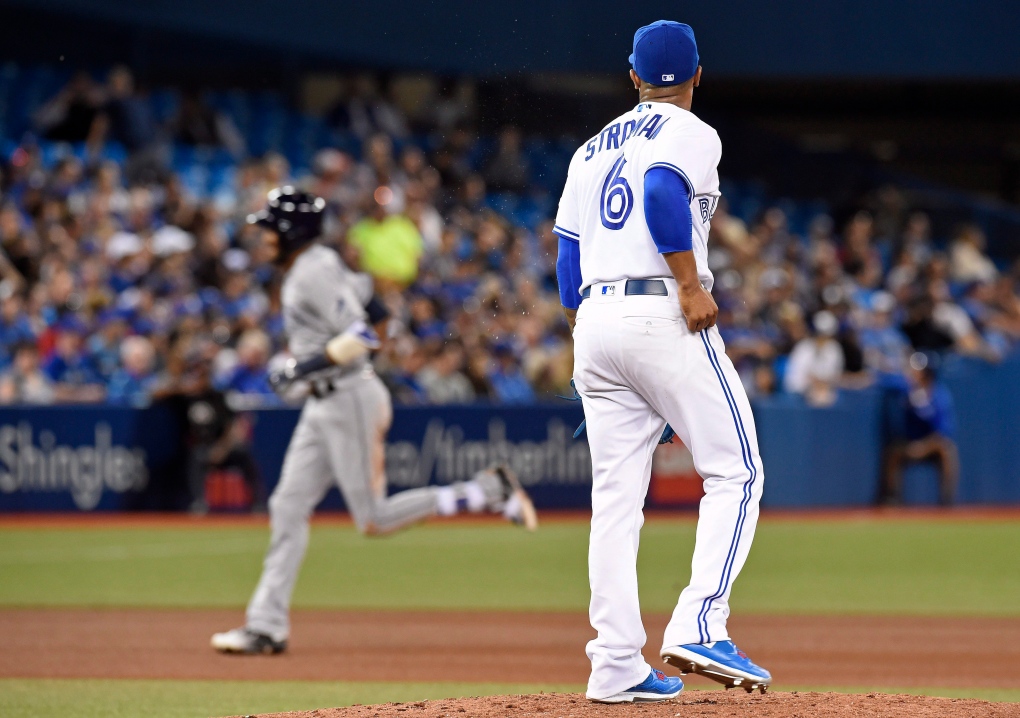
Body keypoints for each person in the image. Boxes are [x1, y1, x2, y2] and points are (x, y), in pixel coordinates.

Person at [211, 188, 537, 655]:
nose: (261, 238)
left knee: (373, 518)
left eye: (268, 229)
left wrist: (299, 368)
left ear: (288, 231)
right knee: (286, 506)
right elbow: (376, 312)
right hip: (325, 403)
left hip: (349, 399)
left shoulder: (312, 273)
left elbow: (362, 333)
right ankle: (265, 626)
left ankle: (486, 491)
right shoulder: (318, 265)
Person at [554, 21, 770, 703]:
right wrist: (689, 284)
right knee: (736, 470)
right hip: (661, 312)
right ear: (697, 76)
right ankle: (700, 621)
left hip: (594, 320)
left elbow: (567, 260)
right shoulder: (691, 131)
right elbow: (658, 196)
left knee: (614, 503)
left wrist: (594, 338)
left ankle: (615, 665)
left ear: (633, 76)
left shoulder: (589, 149)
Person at [881, 353, 958, 506]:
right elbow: (885, 381)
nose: (913, 373)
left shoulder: (939, 395)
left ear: (926, 373)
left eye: (917, 370)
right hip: (908, 443)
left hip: (931, 445)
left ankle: (947, 500)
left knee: (947, 450)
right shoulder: (906, 389)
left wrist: (922, 447)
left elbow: (943, 433)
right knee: (893, 452)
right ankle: (892, 498)